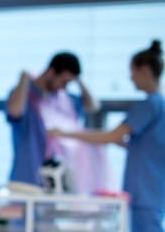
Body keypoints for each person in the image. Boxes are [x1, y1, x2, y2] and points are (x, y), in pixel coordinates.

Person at [50, 40, 165, 232]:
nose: (131, 79)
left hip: (148, 197)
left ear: (144, 69)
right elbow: (125, 142)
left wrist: (66, 133)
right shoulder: (154, 109)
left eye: (132, 73)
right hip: (143, 196)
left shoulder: (152, 104)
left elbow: (113, 135)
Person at [7, 51, 109, 193]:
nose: (64, 87)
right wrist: (24, 80)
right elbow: (14, 111)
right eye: (64, 81)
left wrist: (79, 80)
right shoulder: (26, 95)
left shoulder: (64, 100)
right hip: (28, 177)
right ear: (51, 71)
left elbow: (93, 106)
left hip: (57, 180)